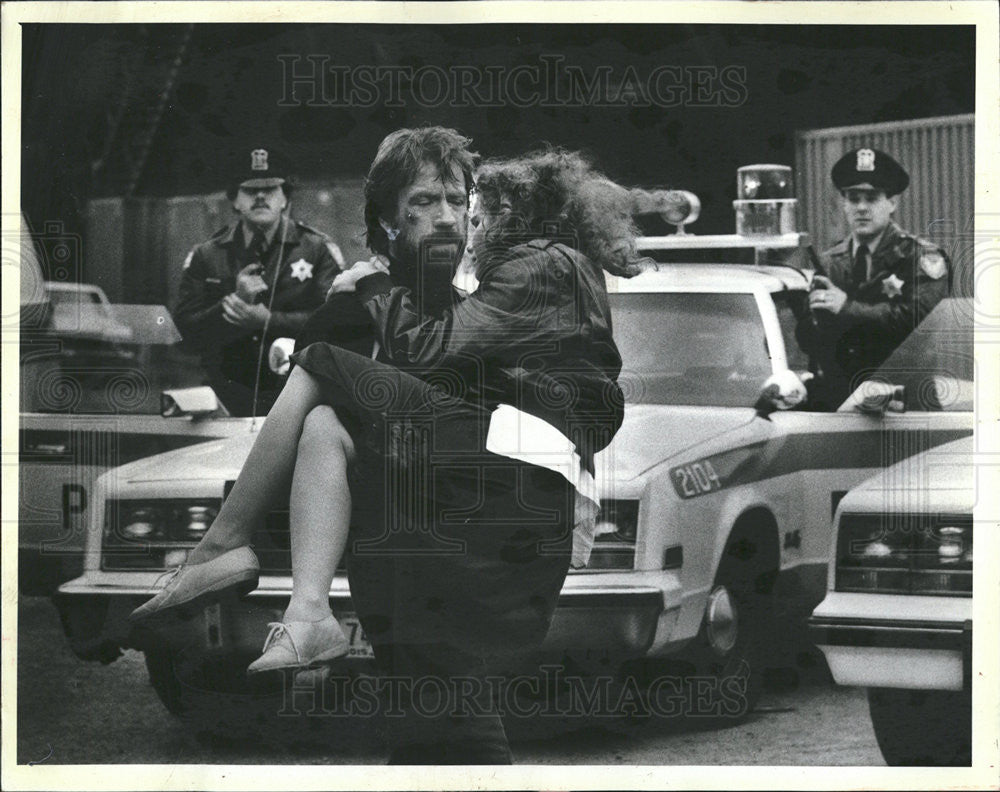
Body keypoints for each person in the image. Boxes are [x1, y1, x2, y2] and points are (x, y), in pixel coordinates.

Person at [132, 130, 631, 763]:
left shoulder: (470, 300)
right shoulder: (366, 305)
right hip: (403, 566)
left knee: (456, 735)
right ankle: (282, 593)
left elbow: (485, 413)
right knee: (437, 739)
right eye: (427, 200)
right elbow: (321, 443)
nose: (452, 215)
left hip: (462, 560)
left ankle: (231, 556)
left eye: (460, 199)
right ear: (387, 220)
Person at [175, 145, 344, 416]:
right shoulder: (207, 254)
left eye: (271, 189)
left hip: (297, 395)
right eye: (251, 190)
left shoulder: (317, 249)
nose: (261, 196)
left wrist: (268, 321)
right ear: (235, 200)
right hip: (226, 397)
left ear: (285, 199)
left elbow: (336, 323)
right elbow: (184, 333)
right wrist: (232, 304)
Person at [796, 147, 951, 408]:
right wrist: (810, 315)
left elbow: (917, 319)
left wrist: (846, 307)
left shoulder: (922, 258)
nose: (862, 208)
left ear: (892, 203)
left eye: (872, 198)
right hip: (843, 402)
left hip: (906, 403)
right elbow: (809, 341)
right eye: (853, 199)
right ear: (843, 204)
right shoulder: (828, 262)